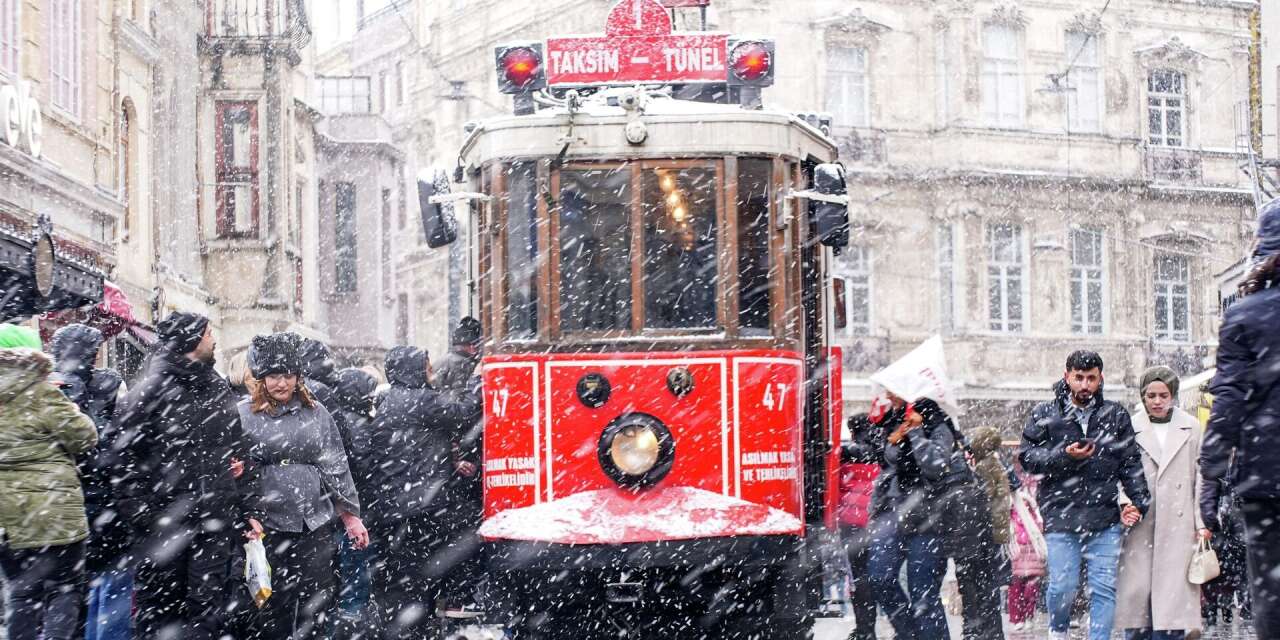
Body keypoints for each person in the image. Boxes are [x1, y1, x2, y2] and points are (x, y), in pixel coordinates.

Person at [116, 312, 259, 640]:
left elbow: (239, 452)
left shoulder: (217, 387)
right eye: (208, 333)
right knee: (160, 611)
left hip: (213, 522)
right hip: (164, 524)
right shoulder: (150, 390)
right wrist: (143, 514)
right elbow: (122, 458)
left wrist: (246, 505)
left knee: (207, 612)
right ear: (191, 340)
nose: (213, 339)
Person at [237, 333, 368, 640]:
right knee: (271, 608)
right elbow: (232, 469)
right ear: (261, 378)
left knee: (317, 602)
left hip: (313, 523)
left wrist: (351, 516)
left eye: (288, 375)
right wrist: (246, 512)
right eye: (273, 376)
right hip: (266, 525)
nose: (281, 383)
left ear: (298, 377)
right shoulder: (244, 414)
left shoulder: (317, 413)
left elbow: (336, 465)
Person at [1020, 350, 1151, 640]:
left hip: (1104, 517)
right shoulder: (1045, 413)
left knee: (1104, 589)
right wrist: (1064, 457)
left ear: (1100, 378)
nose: (1085, 385)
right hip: (1061, 515)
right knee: (1062, 586)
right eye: (1079, 378)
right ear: (1067, 376)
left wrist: (1139, 501)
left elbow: (1130, 463)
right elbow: (1027, 457)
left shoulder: (1115, 414)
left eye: (1091, 378)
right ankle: (1058, 629)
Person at [1200, 197, 1280, 638]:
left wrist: (1211, 471)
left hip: (1266, 477)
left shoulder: (1244, 315)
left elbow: (1227, 398)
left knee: (1270, 592)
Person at [365, 345, 480, 639]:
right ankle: (444, 608)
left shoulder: (390, 399)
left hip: (395, 504)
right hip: (420, 504)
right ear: (414, 370)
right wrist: (477, 381)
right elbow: (464, 413)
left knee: (406, 574)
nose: (432, 373)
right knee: (462, 540)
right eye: (427, 367)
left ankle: (412, 622)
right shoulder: (422, 400)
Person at [0, 327, 99, 640]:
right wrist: (74, 411)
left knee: (22, 593)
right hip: (54, 509)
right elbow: (85, 437)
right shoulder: (42, 392)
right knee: (64, 588)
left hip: (9, 516)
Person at [865, 395, 980, 640]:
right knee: (879, 577)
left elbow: (935, 466)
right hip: (894, 511)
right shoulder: (896, 422)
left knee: (923, 592)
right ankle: (909, 634)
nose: (889, 396)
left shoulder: (939, 426)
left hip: (930, 515)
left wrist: (917, 433)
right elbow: (888, 466)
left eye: (894, 393)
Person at [48, 324, 131, 640]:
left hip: (61, 506)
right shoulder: (110, 384)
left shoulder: (45, 387)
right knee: (109, 588)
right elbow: (119, 441)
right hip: (104, 503)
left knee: (63, 594)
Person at [1115, 366, 1208, 639]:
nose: (1157, 401)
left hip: (1178, 522)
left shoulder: (1191, 426)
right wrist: (1124, 503)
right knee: (1138, 594)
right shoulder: (1130, 426)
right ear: (1142, 396)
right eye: (1151, 395)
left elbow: (1200, 477)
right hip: (1141, 520)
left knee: (1172, 598)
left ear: (1173, 395)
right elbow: (1117, 472)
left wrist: (1202, 522)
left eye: (1163, 395)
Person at [330, 367, 380, 637]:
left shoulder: (337, 418)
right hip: (356, 505)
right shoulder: (360, 425)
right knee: (355, 559)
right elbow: (363, 468)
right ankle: (353, 614)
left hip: (340, 505)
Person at [837, 413, 881, 640]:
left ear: (853, 431)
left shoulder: (844, 454)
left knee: (858, 577)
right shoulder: (884, 452)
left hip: (851, 524)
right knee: (879, 575)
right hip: (876, 522)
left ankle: (865, 629)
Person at [1007, 487, 1046, 631]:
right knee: (1018, 591)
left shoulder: (1033, 520)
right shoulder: (1012, 521)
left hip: (1031, 561)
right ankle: (1020, 618)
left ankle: (1025, 617)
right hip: (1019, 561)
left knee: (1029, 591)